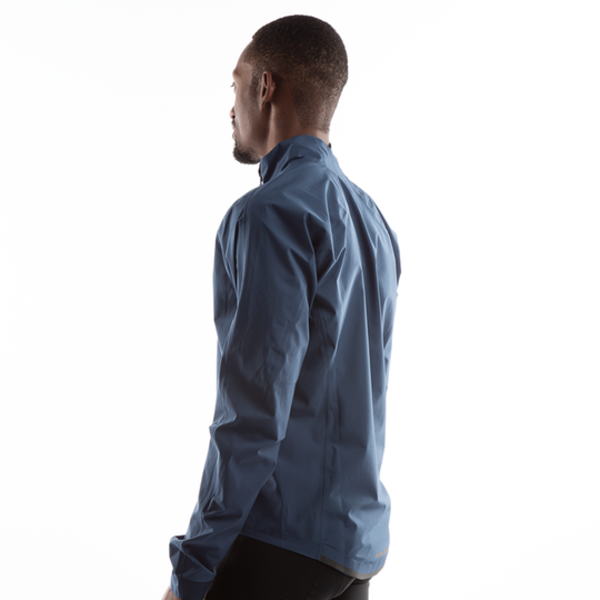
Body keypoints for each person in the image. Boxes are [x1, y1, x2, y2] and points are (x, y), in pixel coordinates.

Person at [161, 15, 401, 600]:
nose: (231, 107)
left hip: (279, 544)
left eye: (236, 83)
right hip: (355, 552)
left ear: (265, 86)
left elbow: (252, 414)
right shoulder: (373, 222)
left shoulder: (268, 213)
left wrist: (192, 568)